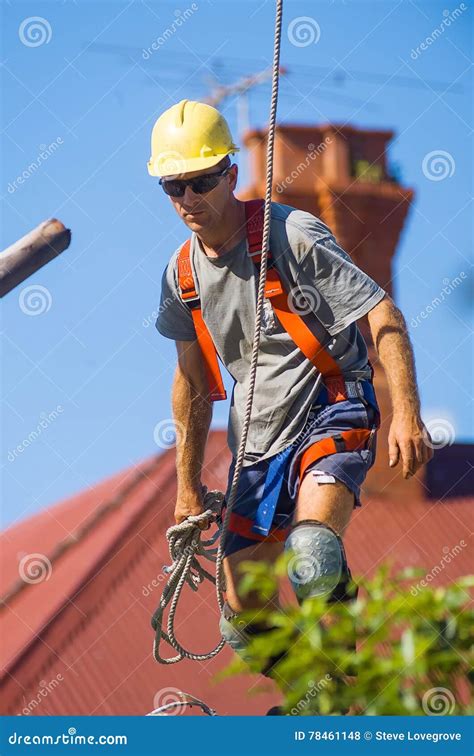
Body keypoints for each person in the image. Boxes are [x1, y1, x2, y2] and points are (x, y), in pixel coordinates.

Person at [149, 99, 433, 690]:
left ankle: (352, 692)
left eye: (201, 182)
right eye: (174, 187)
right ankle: (313, 695)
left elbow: (383, 313)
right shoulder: (181, 276)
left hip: (331, 405)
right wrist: (185, 485)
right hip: (257, 440)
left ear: (231, 173)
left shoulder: (290, 233)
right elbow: (192, 386)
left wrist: (407, 412)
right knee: (243, 616)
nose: (188, 199)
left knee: (311, 553)